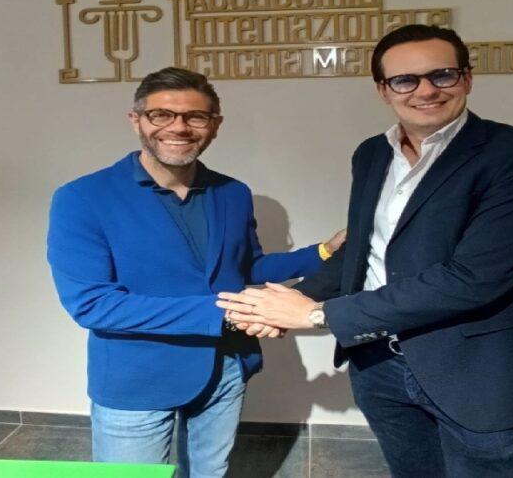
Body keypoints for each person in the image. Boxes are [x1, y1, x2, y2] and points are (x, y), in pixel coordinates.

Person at [217, 24, 513, 477]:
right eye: (405, 80)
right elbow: (363, 252)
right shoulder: (372, 155)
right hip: (378, 364)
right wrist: (282, 302)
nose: (426, 90)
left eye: (442, 75)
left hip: (477, 372)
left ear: (467, 79)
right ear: (383, 90)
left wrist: (317, 315)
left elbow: (474, 278)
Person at [46, 66, 345, 478]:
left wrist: (324, 252)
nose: (178, 127)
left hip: (226, 368)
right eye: (161, 115)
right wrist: (224, 314)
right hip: (138, 379)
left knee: (210, 473)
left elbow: (244, 268)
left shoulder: (233, 192)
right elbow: (94, 305)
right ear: (136, 120)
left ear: (214, 125)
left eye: (195, 116)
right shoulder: (82, 197)